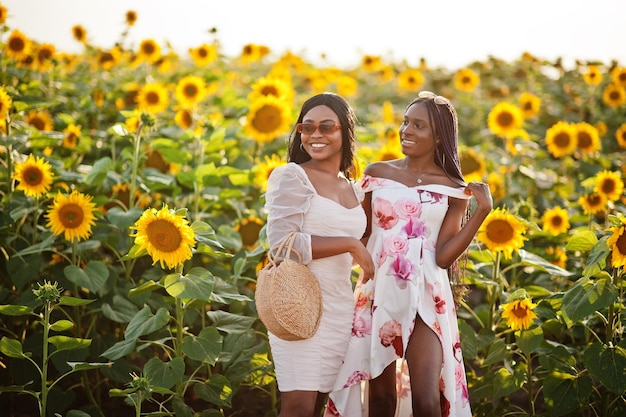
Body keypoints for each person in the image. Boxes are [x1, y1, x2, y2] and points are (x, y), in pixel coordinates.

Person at [326, 91, 493, 417]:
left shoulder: (452, 188)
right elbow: (362, 235)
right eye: (405, 122)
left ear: (438, 137)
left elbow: (443, 258)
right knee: (381, 399)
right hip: (378, 292)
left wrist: (482, 211)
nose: (406, 130)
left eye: (418, 125)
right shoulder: (377, 174)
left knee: (428, 401)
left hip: (428, 296)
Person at [263, 92, 375, 417]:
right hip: (297, 305)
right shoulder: (292, 177)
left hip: (341, 308)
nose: (316, 135)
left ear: (344, 132)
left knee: (318, 409)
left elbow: (366, 242)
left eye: (327, 127)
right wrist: (350, 244)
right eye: (307, 127)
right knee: (297, 408)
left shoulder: (355, 189)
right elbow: (281, 245)